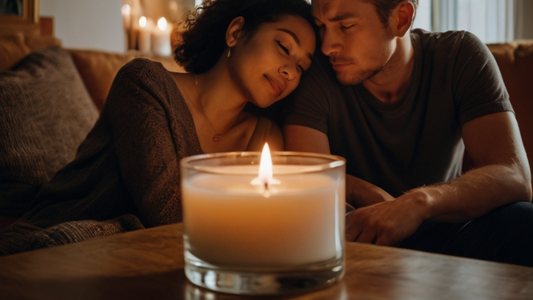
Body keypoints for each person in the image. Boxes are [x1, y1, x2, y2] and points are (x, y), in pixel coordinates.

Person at [0, 0, 316, 255]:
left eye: (302, 66)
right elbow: (167, 212)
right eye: (285, 47)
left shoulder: (265, 137)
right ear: (235, 33)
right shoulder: (143, 84)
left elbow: (272, 225)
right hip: (65, 237)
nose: (290, 71)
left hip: (160, 262)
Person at [283, 0, 533, 266]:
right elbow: (310, 180)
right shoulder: (315, 72)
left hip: (446, 226)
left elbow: (514, 175)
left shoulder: (460, 55)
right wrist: (371, 196)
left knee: (523, 221)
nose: (327, 45)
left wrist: (416, 203)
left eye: (346, 26)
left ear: (400, 19)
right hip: (356, 232)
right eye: (321, 25)